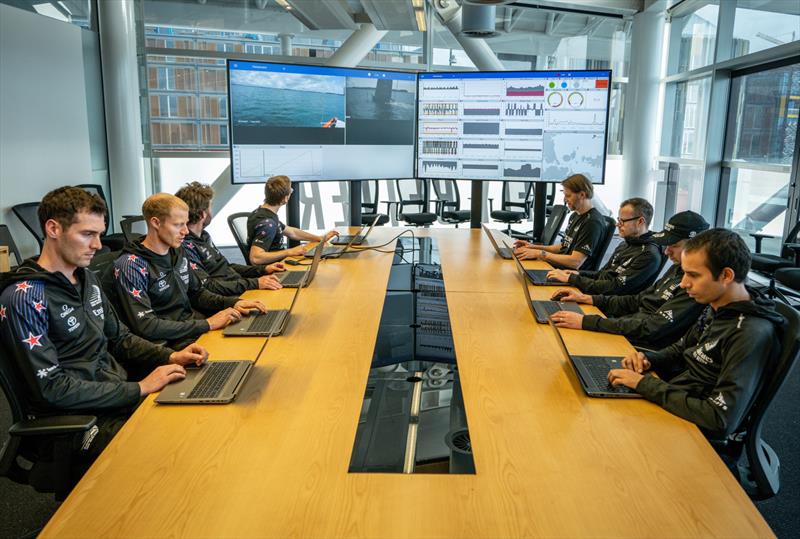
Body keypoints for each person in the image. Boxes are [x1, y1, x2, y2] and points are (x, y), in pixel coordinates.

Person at [0, 186, 206, 471]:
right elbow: (53, 389)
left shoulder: (87, 280)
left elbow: (119, 339)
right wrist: (139, 388)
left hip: (112, 395)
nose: (98, 245)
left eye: (99, 234)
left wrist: (171, 357)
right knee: (171, 453)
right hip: (74, 422)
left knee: (196, 421)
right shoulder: (25, 296)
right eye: (87, 234)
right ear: (53, 229)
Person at [607, 229, 784, 440]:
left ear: (726, 275)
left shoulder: (749, 333)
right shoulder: (717, 306)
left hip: (693, 432)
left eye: (693, 275)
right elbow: (681, 348)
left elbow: (719, 419)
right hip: (676, 400)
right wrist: (647, 359)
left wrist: (643, 384)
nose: (683, 284)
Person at [111, 193, 266, 350]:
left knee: (258, 338)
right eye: (178, 225)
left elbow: (197, 293)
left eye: (186, 224)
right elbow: (147, 326)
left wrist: (234, 303)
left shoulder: (177, 252)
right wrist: (207, 324)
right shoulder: (131, 265)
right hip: (172, 344)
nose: (185, 231)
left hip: (194, 327)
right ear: (156, 223)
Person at [550, 211, 709, 350]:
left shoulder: (694, 286)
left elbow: (651, 328)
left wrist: (587, 321)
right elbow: (638, 300)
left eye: (673, 245)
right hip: (630, 325)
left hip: (641, 342)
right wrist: (587, 298)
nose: (667, 252)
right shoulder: (676, 268)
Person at [175, 181, 285, 295]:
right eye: (210, 207)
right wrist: (255, 283)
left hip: (239, 286)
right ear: (203, 214)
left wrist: (264, 269)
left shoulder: (204, 236)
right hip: (229, 297)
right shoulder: (184, 246)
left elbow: (226, 267)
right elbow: (208, 286)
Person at [546, 198, 663, 295]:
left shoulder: (648, 255)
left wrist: (573, 280)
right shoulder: (625, 243)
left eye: (622, 221)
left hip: (609, 305)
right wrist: (578, 274)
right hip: (599, 295)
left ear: (640, 222)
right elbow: (603, 274)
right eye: (618, 220)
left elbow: (615, 287)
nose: (618, 224)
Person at [513, 174, 607, 270]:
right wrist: (533, 247)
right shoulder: (575, 215)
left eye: (568, 196)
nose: (565, 200)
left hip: (569, 276)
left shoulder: (592, 222)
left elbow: (575, 262)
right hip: (559, 269)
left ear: (582, 195)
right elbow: (563, 246)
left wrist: (540, 254)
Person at [246, 175, 339, 265]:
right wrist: (289, 252)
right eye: (290, 191)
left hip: (278, 265)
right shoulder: (268, 224)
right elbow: (255, 258)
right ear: (285, 198)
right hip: (271, 273)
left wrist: (319, 238)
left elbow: (292, 232)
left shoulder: (262, 213)